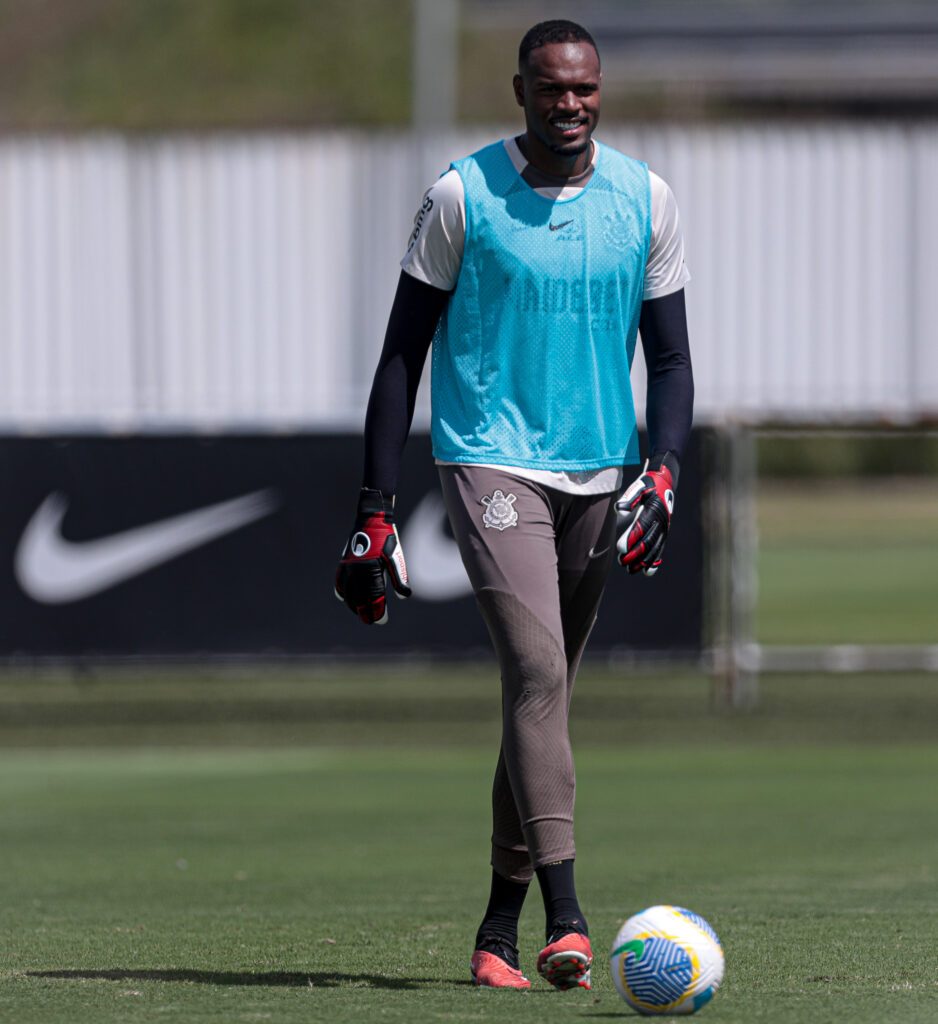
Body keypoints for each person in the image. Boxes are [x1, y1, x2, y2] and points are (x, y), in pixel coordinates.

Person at [334, 19, 693, 991]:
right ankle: (566, 919)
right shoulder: (461, 196)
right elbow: (400, 354)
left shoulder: (644, 200)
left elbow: (668, 359)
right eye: (550, 89)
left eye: (583, 89)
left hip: (598, 471)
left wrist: (660, 468)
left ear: (598, 90)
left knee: (543, 699)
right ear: (519, 91)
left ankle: (495, 928)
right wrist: (375, 505)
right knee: (535, 671)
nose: (568, 104)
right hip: (488, 459)